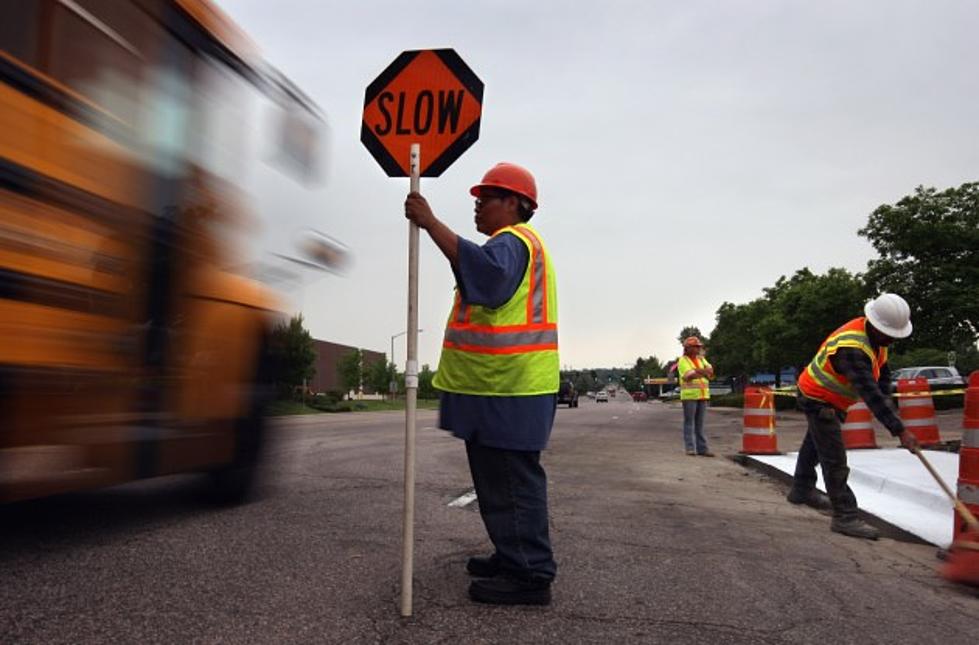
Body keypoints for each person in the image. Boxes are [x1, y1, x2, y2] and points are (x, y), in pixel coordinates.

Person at [404, 162, 558, 606]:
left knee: (510, 481)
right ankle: (514, 556)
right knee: (499, 480)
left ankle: (530, 573)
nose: (477, 205)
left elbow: (487, 282)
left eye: (486, 198)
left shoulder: (513, 243)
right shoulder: (510, 246)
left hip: (510, 388)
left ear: (515, 204)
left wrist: (430, 222)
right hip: (502, 388)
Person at [789, 293, 920, 540]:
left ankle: (801, 489)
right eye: (889, 333)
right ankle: (845, 516)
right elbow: (870, 393)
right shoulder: (852, 348)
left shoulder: (877, 341)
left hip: (828, 396)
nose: (892, 339)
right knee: (834, 457)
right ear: (876, 324)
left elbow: (881, 382)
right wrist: (899, 430)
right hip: (817, 396)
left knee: (814, 444)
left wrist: (896, 421)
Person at [677, 336, 714, 457]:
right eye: (696, 347)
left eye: (699, 347)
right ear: (688, 348)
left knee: (700, 424)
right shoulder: (683, 361)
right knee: (689, 423)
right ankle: (690, 448)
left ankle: (702, 449)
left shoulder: (701, 359)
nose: (699, 349)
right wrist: (703, 372)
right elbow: (689, 375)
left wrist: (698, 371)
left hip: (702, 395)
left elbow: (710, 370)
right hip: (689, 396)